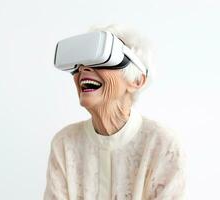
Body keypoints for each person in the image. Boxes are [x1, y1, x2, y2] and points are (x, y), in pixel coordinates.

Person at [43, 24, 187, 200]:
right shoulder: (64, 143)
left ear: (136, 81)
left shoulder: (163, 144)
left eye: (101, 60)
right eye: (79, 65)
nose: (83, 70)